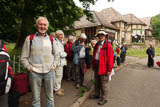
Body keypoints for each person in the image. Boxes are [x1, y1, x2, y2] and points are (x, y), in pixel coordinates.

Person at [21, 16, 59, 107]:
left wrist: (54, 66)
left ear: (47, 26)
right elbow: (23, 57)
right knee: (35, 99)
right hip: (34, 72)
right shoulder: (29, 39)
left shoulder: (51, 39)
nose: (42, 26)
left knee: (50, 97)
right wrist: (29, 67)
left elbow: (57, 55)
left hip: (49, 71)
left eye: (45, 24)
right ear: (36, 25)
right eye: (40, 24)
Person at [91, 29, 114, 105]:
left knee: (104, 83)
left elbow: (111, 59)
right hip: (97, 65)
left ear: (105, 36)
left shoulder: (108, 46)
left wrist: (109, 69)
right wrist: (93, 65)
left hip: (104, 67)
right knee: (96, 81)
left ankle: (104, 98)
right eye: (99, 35)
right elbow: (95, 55)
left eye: (102, 35)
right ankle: (97, 94)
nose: (100, 36)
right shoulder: (97, 44)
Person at [53, 30, 67, 96]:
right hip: (58, 62)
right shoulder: (55, 42)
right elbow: (59, 53)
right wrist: (65, 54)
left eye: (62, 35)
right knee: (58, 76)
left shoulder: (60, 42)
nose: (62, 36)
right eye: (60, 35)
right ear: (57, 35)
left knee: (59, 76)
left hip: (60, 62)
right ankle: (57, 89)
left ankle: (58, 87)